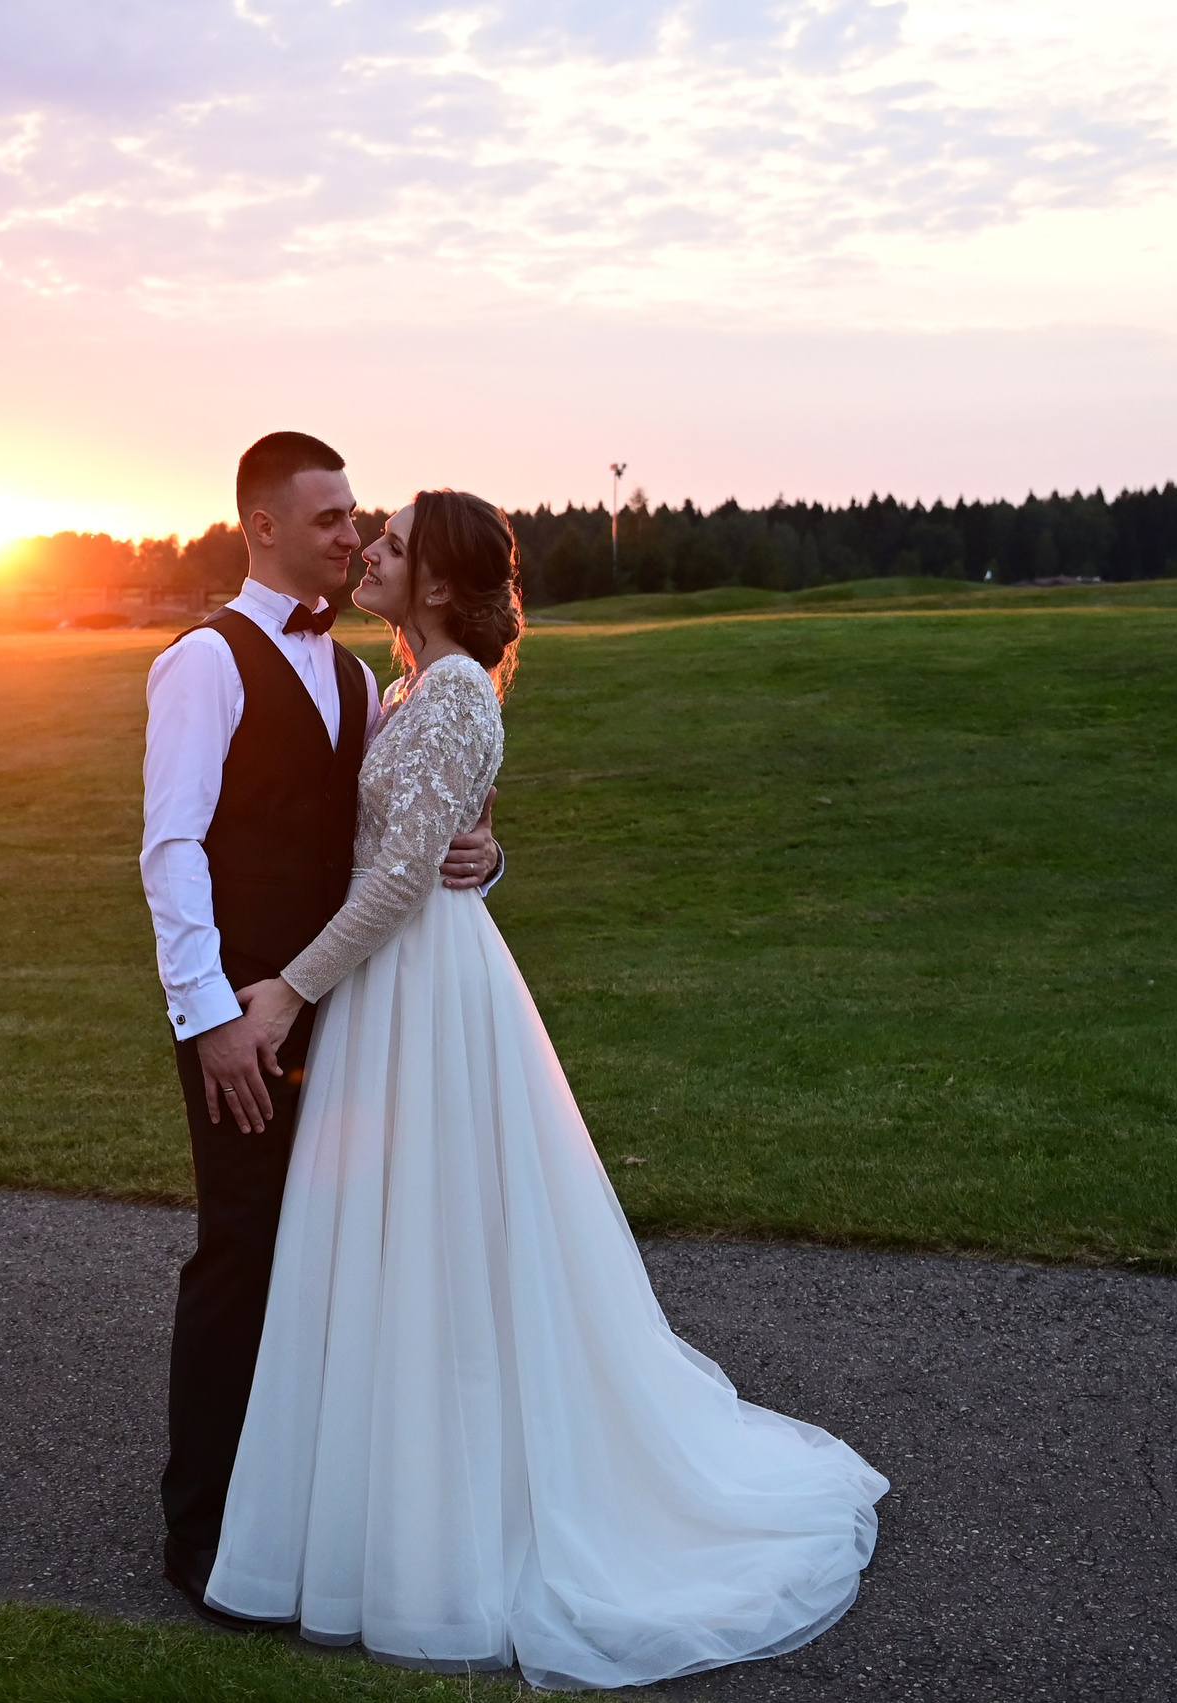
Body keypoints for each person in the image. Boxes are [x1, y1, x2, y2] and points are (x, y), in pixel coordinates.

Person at [206, 489, 887, 1689]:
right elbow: (436, 842)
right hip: (403, 988)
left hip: (411, 988)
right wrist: (486, 849)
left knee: (441, 1249)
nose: (370, 550)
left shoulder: (454, 688)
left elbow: (403, 879)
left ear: (437, 580)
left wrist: (288, 990)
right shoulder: (412, 683)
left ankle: (454, 1529)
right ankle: (385, 1510)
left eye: (396, 544)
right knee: (402, 1249)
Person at [141, 432, 501, 1623]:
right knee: (240, 1255)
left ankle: (306, 1503)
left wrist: (483, 855)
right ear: (263, 527)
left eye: (361, 521)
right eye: (334, 518)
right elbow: (172, 850)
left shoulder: (359, 676)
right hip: (243, 1015)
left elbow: (397, 843)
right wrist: (211, 1019)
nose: (354, 536)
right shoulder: (201, 662)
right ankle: (201, 1528)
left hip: (355, 1016)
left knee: (341, 1261)